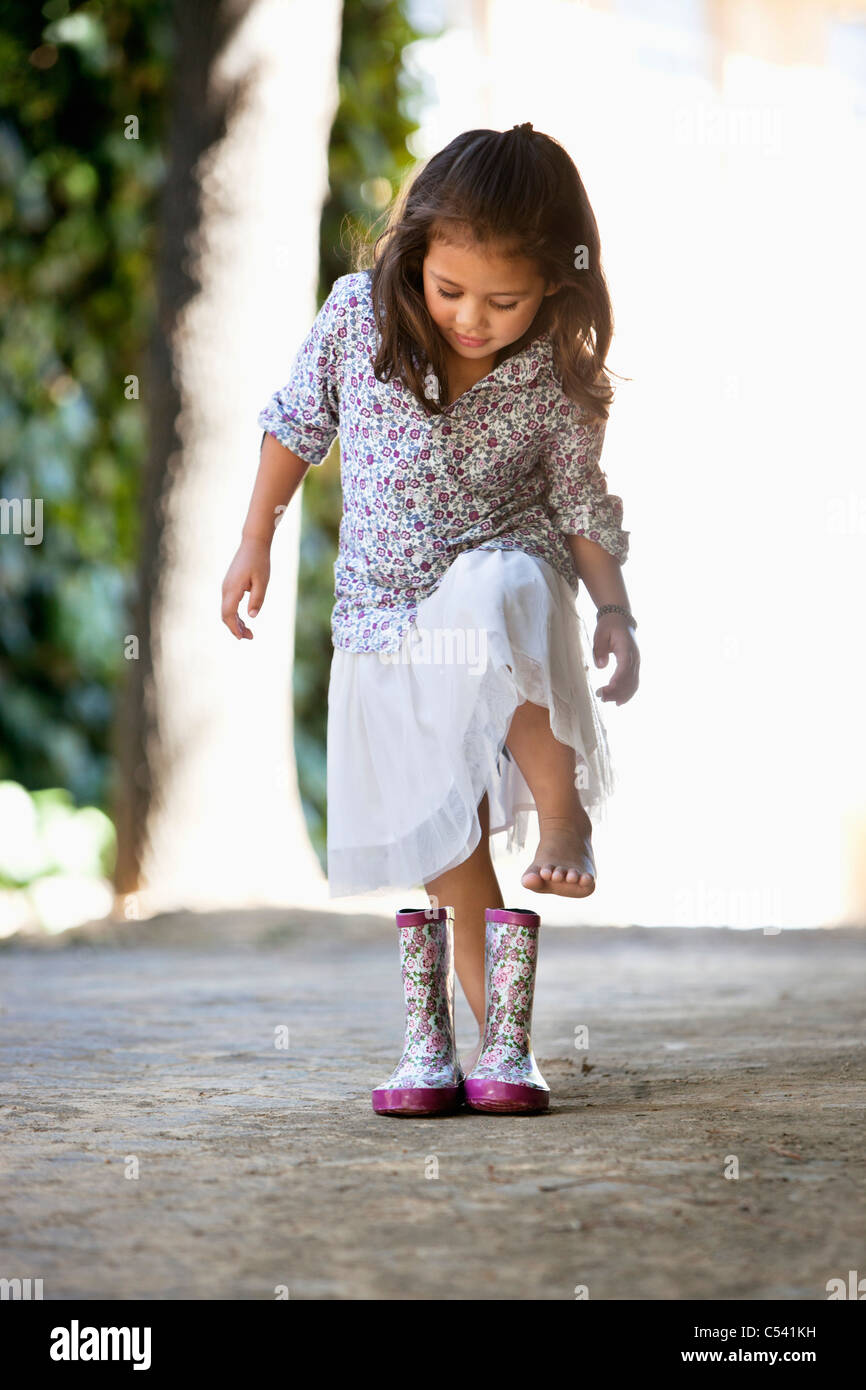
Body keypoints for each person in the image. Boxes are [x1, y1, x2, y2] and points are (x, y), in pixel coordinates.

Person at [222, 123, 640, 1117]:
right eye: (448, 290)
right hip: (385, 627)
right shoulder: (354, 322)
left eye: (503, 301)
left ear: (553, 284)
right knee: (451, 861)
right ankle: (478, 1049)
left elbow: (581, 510)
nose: (469, 317)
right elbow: (293, 425)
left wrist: (615, 611)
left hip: (505, 608)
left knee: (502, 588)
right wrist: (254, 541)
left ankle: (562, 806)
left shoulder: (551, 377)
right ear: (413, 254)